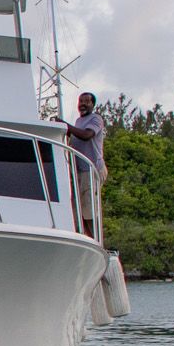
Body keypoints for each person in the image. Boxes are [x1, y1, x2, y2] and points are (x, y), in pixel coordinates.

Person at [64, 90, 107, 237]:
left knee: (89, 208)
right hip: (80, 171)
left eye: (86, 101)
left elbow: (87, 135)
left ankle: (96, 239)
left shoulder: (96, 119)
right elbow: (76, 135)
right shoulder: (78, 121)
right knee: (80, 208)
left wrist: (66, 126)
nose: (82, 104)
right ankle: (89, 236)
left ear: (92, 104)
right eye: (80, 101)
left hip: (91, 169)